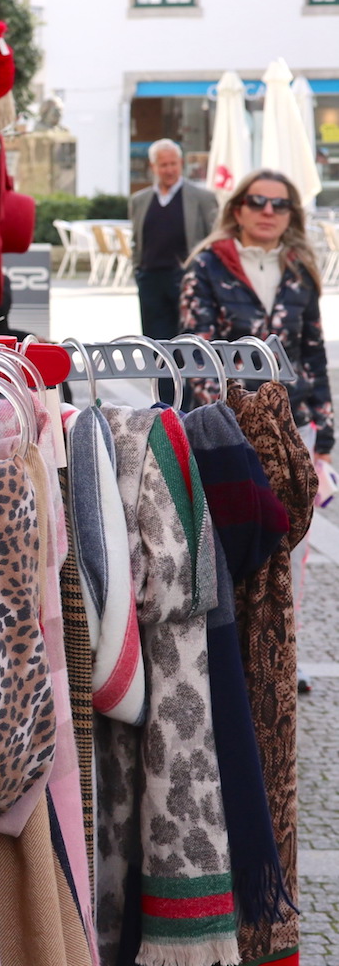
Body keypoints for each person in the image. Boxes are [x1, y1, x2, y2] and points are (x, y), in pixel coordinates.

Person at [179, 169, 329, 691]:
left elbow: (314, 351)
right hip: (230, 431)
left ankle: (284, 657)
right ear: (238, 207)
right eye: (258, 201)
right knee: (230, 541)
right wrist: (226, 426)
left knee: (291, 547)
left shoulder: (300, 268)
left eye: (280, 205)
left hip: (296, 428)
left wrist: (325, 436)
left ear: (292, 215)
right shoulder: (206, 266)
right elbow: (196, 355)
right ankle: (231, 657)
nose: (269, 211)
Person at [131, 138, 219, 404]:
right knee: (156, 347)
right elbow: (137, 239)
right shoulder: (140, 200)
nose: (169, 169)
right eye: (163, 164)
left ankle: (191, 406)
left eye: (173, 163)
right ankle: (164, 406)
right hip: (151, 280)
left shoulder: (202, 198)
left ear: (181, 164)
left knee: (188, 346)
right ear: (153, 167)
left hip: (186, 281)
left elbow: (213, 239)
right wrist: (138, 270)